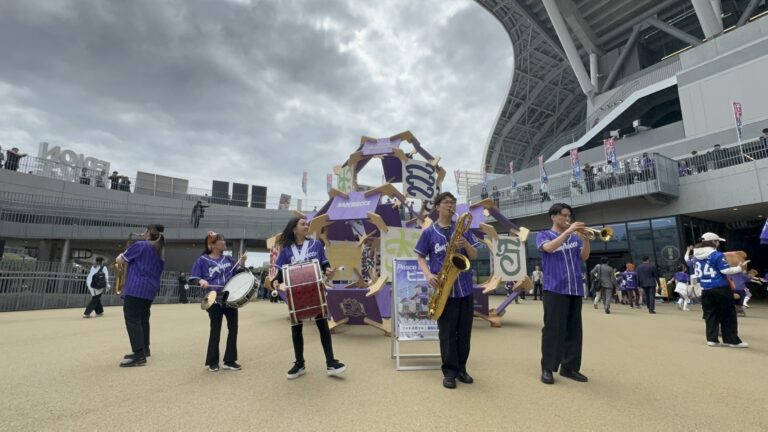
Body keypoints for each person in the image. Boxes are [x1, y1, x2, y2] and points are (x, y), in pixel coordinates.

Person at [415, 192, 480, 389]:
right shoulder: (428, 232)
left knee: (465, 332)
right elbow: (420, 257)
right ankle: (449, 372)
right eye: (446, 203)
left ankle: (462, 369)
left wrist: (466, 244)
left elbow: (475, 255)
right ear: (437, 207)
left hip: (465, 288)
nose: (450, 206)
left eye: (453, 203)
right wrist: (428, 274)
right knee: (447, 333)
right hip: (444, 290)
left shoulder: (463, 229)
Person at [272, 217, 346, 380]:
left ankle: (331, 362)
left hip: (315, 291)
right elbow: (279, 273)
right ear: (294, 228)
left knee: (322, 326)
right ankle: (299, 363)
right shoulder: (286, 250)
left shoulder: (316, 245)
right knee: (296, 328)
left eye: (307, 224)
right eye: (303, 224)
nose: (307, 226)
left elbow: (325, 265)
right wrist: (276, 281)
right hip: (295, 294)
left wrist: (328, 270)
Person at [537, 203, 590, 385]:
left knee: (574, 330)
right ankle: (548, 368)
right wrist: (568, 232)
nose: (568, 219)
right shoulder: (543, 235)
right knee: (553, 329)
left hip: (575, 288)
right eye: (564, 216)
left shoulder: (575, 237)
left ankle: (570, 368)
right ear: (553, 216)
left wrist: (586, 239)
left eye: (569, 216)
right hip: (554, 288)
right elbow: (549, 248)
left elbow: (583, 257)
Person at [189, 232, 246, 372]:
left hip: (230, 297)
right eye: (221, 240)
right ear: (212, 245)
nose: (224, 242)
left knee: (233, 328)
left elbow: (239, 273)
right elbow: (193, 277)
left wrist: (242, 262)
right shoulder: (202, 260)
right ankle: (212, 362)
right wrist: (201, 280)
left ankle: (230, 361)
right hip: (213, 298)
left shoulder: (229, 259)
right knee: (215, 329)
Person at [116, 224, 166, 367]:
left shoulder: (141, 245)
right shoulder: (160, 250)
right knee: (143, 318)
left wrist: (122, 253)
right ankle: (144, 348)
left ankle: (138, 354)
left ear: (147, 232)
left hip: (136, 287)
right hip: (150, 289)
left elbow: (120, 260)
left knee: (132, 318)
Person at [693, 234, 749, 348]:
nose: (718, 244)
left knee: (710, 314)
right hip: (720, 287)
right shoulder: (717, 255)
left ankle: (712, 339)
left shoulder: (695, 256)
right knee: (728, 314)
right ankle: (731, 340)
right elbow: (725, 270)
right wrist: (739, 268)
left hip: (705, 288)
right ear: (713, 242)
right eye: (717, 241)